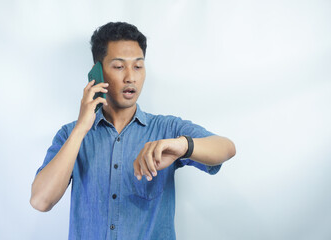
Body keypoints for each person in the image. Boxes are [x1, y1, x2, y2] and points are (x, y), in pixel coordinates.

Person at [30, 22, 236, 240]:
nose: (131, 77)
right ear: (97, 73)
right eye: (119, 67)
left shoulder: (166, 129)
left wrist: (183, 145)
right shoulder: (70, 135)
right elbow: (41, 201)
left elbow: (227, 148)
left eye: (138, 66)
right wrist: (82, 128)